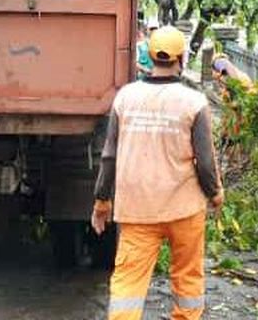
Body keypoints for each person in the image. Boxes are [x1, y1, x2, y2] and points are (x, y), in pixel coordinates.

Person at [91, 25, 225, 320]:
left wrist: (102, 200)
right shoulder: (194, 103)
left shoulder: (125, 98)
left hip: (137, 209)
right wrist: (215, 194)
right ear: (182, 58)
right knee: (188, 279)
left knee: (128, 281)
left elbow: (109, 155)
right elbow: (204, 162)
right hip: (184, 209)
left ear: (150, 56)